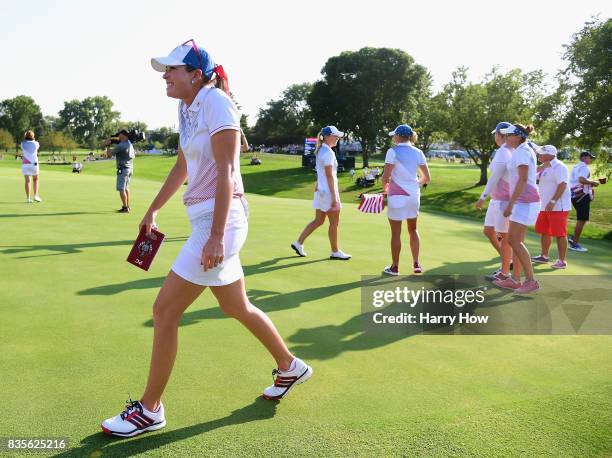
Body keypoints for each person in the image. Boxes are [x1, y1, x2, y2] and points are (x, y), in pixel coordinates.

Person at [101, 40, 312, 438]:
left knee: (164, 311)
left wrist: (215, 236)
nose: (165, 76)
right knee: (236, 306)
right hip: (207, 220)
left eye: (172, 70)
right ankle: (290, 366)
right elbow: (184, 163)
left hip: (222, 222)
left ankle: (149, 410)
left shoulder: (217, 103)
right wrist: (152, 209)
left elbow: (228, 172)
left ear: (195, 75)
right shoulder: (187, 108)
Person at [291, 126, 352, 260]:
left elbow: (322, 173)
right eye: (335, 136)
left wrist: (319, 184)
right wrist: (335, 198)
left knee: (318, 220)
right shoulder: (328, 152)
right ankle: (335, 251)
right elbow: (329, 175)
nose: (337, 138)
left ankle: (298, 243)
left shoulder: (320, 151)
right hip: (329, 193)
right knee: (334, 223)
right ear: (327, 136)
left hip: (321, 191)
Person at [493, 124, 540, 293]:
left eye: (509, 135)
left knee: (514, 241)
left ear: (518, 136)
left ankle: (531, 281)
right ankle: (515, 279)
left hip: (524, 202)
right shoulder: (522, 150)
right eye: (504, 136)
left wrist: (511, 204)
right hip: (523, 201)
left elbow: (523, 179)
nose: (505, 138)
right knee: (515, 241)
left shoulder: (522, 152)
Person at [381, 124, 431, 275]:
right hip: (413, 197)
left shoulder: (392, 151)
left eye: (394, 136)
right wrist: (416, 183)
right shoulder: (418, 152)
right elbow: (427, 178)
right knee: (413, 229)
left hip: (396, 196)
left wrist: (386, 190)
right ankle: (416, 264)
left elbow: (385, 177)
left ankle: (395, 267)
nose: (393, 138)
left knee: (396, 233)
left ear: (397, 136)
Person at [475, 122, 513, 281]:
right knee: (488, 230)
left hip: (503, 200)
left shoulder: (504, 152)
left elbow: (494, 178)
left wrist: (482, 197)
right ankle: (507, 260)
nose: (494, 137)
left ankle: (505, 272)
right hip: (498, 199)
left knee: (505, 237)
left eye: (495, 134)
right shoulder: (506, 151)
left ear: (501, 134)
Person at [531, 145, 572, 269]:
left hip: (558, 206)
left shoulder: (559, 166)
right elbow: (531, 175)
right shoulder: (546, 167)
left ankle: (562, 261)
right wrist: (541, 167)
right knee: (544, 231)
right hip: (545, 206)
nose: (539, 156)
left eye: (541, 154)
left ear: (550, 154)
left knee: (560, 234)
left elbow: (563, 185)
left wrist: (553, 201)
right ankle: (544, 256)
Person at [568, 151, 601, 252]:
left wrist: (590, 183)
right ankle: (574, 244)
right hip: (581, 196)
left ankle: (573, 239)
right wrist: (593, 182)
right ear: (584, 157)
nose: (591, 159)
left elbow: (580, 180)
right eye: (590, 157)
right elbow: (581, 180)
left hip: (575, 195)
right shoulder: (584, 167)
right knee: (581, 219)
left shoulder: (577, 166)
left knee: (582, 219)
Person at [105, 130, 135, 213]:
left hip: (123, 169)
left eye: (120, 135)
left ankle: (125, 208)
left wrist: (108, 145)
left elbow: (109, 155)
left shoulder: (121, 145)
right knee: (126, 188)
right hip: (129, 168)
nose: (119, 136)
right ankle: (127, 206)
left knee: (121, 189)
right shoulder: (129, 143)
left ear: (124, 136)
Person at [21, 130, 41, 203]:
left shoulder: (22, 144)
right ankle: (36, 196)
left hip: (25, 164)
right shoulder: (36, 143)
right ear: (33, 136)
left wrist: (25, 137)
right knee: (35, 180)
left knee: (27, 181)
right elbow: (35, 146)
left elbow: (25, 142)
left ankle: (28, 198)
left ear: (25, 136)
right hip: (34, 164)